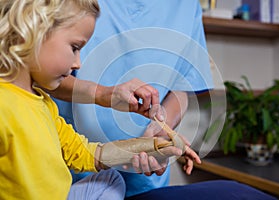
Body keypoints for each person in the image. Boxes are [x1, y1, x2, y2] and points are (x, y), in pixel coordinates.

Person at [0, 1, 199, 199]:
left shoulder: (43, 103)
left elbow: (84, 152)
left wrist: (154, 147)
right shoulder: (4, 106)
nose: (78, 63)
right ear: (33, 31)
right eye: (74, 48)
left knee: (112, 180)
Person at [50, 0, 212, 198]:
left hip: (145, 177)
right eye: (75, 48)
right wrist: (102, 94)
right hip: (71, 169)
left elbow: (184, 84)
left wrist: (163, 127)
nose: (77, 63)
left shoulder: (187, 5)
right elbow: (40, 69)